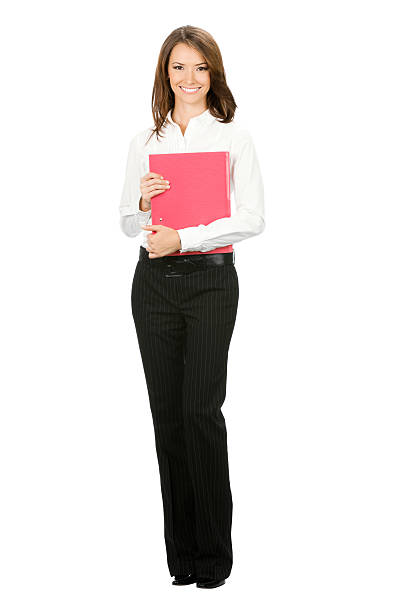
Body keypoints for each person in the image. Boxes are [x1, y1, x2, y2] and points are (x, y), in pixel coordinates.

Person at [119, 25, 265, 589]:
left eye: (199, 67)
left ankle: (213, 560)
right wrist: (141, 203)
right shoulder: (144, 141)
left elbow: (251, 218)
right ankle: (179, 560)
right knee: (167, 418)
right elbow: (126, 223)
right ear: (165, 74)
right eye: (178, 67)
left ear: (214, 74)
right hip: (152, 284)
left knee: (201, 413)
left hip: (209, 282)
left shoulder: (233, 137)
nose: (188, 78)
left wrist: (187, 237)